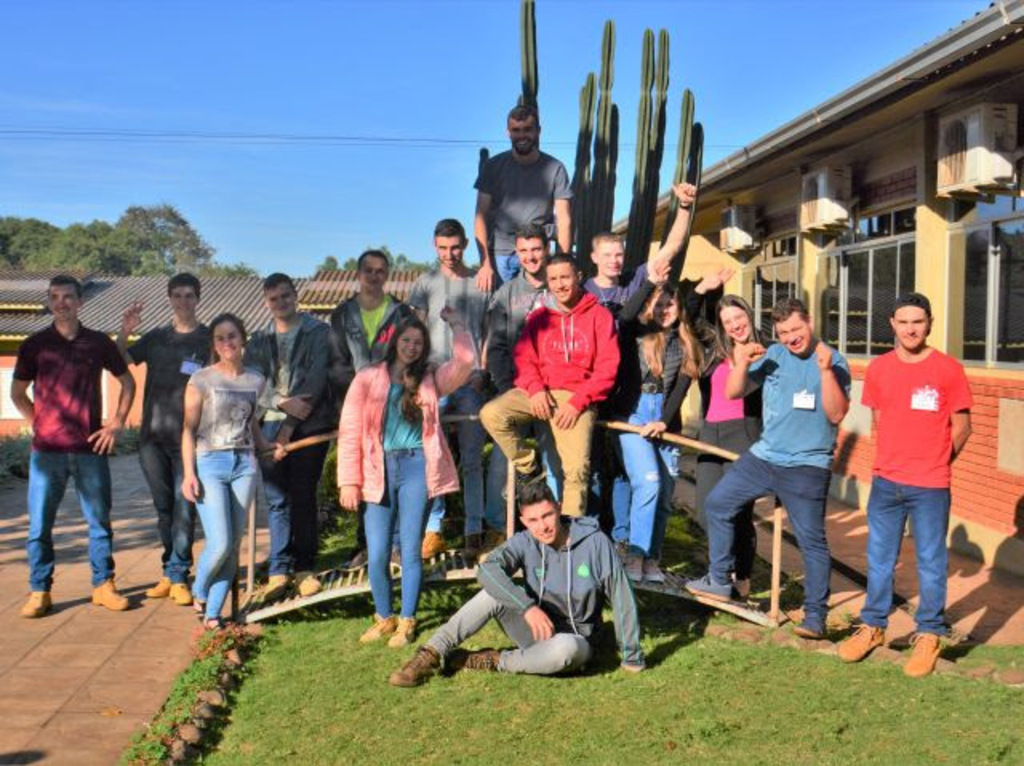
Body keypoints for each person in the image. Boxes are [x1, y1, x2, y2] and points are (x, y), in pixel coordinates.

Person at [686, 297, 850, 639]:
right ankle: (719, 580)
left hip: (807, 464)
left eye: (796, 329)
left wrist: (824, 372)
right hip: (764, 457)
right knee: (718, 503)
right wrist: (742, 364)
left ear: (810, 321)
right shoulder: (773, 355)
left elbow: (836, 414)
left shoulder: (833, 360)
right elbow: (733, 392)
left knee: (811, 541)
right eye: (784, 331)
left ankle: (815, 616)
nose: (791, 337)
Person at [388, 479, 644, 687]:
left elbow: (621, 596)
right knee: (492, 593)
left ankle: (494, 660)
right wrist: (527, 607)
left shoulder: (595, 541)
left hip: (577, 642)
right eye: (533, 520)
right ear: (523, 521)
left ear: (559, 507)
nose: (542, 527)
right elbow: (487, 570)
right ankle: (430, 654)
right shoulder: (525, 541)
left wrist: (632, 656)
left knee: (567, 649)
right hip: (536, 629)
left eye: (547, 516)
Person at [837, 293, 972, 678]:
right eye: (903, 321)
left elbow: (962, 428)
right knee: (879, 559)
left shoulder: (948, 369)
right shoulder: (879, 369)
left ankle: (929, 633)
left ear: (929, 323)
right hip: (886, 482)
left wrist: (936, 463)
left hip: (930, 484)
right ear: (892, 324)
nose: (911, 328)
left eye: (918, 321)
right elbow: (881, 420)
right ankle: (873, 626)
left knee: (931, 562)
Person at [338, 310, 473, 648]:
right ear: (395, 342)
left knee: (411, 550)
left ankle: (407, 620)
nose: (411, 347)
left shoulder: (430, 378)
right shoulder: (368, 377)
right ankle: (384, 617)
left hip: (417, 467)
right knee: (379, 550)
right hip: (376, 468)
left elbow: (467, 360)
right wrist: (348, 481)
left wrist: (457, 324)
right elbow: (350, 429)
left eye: (418, 342)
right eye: (406, 340)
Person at [16, 275, 137, 618]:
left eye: (68, 297)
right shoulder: (34, 344)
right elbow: (17, 393)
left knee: (99, 522)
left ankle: (103, 585)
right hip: (46, 454)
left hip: (89, 451)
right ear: (49, 301)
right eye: (55, 297)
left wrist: (116, 422)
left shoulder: (98, 343)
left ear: (80, 301)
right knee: (39, 525)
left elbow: (127, 383)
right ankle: (40, 590)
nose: (61, 303)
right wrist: (37, 422)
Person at [584, 183, 697, 524]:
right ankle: (594, 532)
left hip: (630, 388)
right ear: (594, 258)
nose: (615, 260)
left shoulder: (636, 279)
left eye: (619, 254)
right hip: (595, 386)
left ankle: (621, 535)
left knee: (623, 470)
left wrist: (685, 208)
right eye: (608, 255)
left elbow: (672, 247)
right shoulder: (585, 292)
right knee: (593, 467)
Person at [480, 254, 619, 519]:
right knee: (492, 413)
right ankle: (528, 468)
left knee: (577, 470)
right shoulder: (539, 318)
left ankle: (568, 539)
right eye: (553, 279)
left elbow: (607, 368)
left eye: (565, 277)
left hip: (577, 399)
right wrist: (534, 389)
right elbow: (524, 358)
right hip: (539, 392)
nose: (559, 284)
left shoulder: (599, 316)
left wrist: (578, 403)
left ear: (578, 277)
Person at [181, 313, 280, 630]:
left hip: (245, 465)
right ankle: (198, 590)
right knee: (220, 542)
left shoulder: (255, 379)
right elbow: (187, 430)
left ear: (243, 340)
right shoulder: (201, 379)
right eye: (220, 338)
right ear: (214, 344)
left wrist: (268, 446)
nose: (227, 343)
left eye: (232, 336)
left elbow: (250, 422)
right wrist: (189, 473)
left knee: (233, 545)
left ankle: (212, 614)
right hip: (210, 463)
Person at [117, 273, 210, 606]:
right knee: (163, 510)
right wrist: (126, 330)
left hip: (189, 439)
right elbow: (118, 360)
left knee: (185, 507)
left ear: (197, 299)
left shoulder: (208, 339)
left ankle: (178, 575)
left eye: (189, 295)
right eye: (177, 295)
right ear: (169, 298)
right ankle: (169, 571)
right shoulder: (155, 338)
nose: (183, 301)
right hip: (152, 439)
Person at [245, 273, 336, 600]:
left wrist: (288, 427)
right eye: (274, 299)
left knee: (303, 495)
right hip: (267, 425)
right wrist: (279, 403)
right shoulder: (258, 340)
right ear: (266, 302)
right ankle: (279, 570)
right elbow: (253, 379)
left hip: (310, 424)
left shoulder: (320, 333)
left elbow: (315, 379)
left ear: (295, 296)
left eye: (286, 296)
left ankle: (304, 567)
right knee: (277, 499)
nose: (281, 303)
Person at [408, 220, 492, 559]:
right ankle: (433, 529)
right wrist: (419, 374)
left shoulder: (480, 282)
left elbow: (486, 332)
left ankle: (475, 529)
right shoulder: (425, 283)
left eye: (455, 247)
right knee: (432, 455)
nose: (449, 254)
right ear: (434, 246)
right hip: (435, 381)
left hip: (469, 380)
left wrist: (481, 371)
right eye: (442, 248)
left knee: (471, 459)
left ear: (466, 244)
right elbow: (414, 331)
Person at [329, 249, 417, 567]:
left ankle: (394, 546)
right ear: (358, 273)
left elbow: (409, 354)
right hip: (357, 406)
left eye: (381, 271)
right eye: (368, 270)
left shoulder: (401, 313)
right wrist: (356, 395)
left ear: (387, 275)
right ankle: (365, 546)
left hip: (393, 407)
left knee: (392, 477)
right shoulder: (341, 315)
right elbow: (337, 364)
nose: (374, 276)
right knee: (361, 477)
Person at [612, 268, 700, 583]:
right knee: (648, 482)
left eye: (670, 305)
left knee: (664, 493)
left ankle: (652, 559)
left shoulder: (688, 343)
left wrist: (663, 420)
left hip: (665, 419)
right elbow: (624, 316)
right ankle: (634, 554)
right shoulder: (638, 332)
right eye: (659, 304)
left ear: (679, 308)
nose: (664, 311)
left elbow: (682, 387)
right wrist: (651, 283)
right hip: (633, 415)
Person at [684, 268, 763, 599]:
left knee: (737, 510)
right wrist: (703, 286)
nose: (734, 325)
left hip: (744, 435)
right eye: (727, 320)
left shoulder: (764, 352)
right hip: (711, 434)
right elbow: (688, 314)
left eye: (738, 316)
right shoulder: (715, 349)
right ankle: (720, 571)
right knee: (706, 508)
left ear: (748, 315)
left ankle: (739, 576)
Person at [483, 223, 561, 550]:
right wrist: (506, 389)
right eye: (524, 251)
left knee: (556, 459)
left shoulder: (562, 288)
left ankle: (557, 530)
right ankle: (498, 528)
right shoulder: (506, 295)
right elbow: (497, 347)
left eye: (536, 249)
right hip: (517, 390)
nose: (530, 257)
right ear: (516, 253)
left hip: (556, 392)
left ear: (546, 249)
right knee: (503, 463)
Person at [473, 103, 572, 290]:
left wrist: (562, 263)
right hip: (501, 255)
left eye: (527, 129)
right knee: (502, 313)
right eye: (516, 130)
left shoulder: (555, 168)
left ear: (538, 131)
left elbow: (564, 219)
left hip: (539, 254)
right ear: (508, 133)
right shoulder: (493, 167)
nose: (522, 136)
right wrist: (484, 263)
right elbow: (480, 217)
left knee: (543, 311)